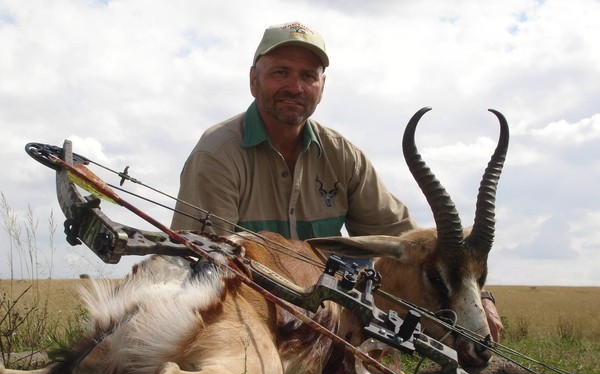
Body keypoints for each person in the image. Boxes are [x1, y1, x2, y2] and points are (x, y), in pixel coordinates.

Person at [171, 21, 503, 342]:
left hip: (327, 318)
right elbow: (200, 263)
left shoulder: (341, 154)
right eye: (280, 72)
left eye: (308, 76)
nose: (295, 87)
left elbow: (411, 241)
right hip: (248, 313)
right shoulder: (217, 153)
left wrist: (478, 295)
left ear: (321, 87)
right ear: (254, 81)